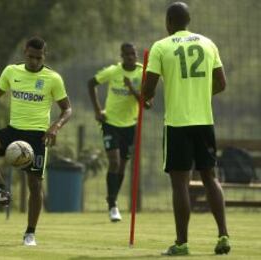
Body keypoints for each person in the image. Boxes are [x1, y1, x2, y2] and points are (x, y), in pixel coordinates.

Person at [0, 37, 72, 246]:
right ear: (24, 53)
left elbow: (67, 108)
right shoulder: (11, 72)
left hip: (38, 135)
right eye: (30, 57)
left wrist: (55, 126)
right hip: (14, 131)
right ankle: (0, 190)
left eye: (38, 58)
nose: (33, 61)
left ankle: (30, 233)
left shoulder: (53, 78)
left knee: (34, 184)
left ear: (44, 56)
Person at [142, 2, 230, 256]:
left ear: (168, 22)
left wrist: (146, 99)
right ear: (188, 21)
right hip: (204, 121)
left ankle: (181, 243)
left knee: (180, 183)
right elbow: (222, 83)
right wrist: (200, 94)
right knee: (209, 177)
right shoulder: (208, 43)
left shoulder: (161, 46)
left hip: (177, 123)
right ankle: (223, 235)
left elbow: (148, 88)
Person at [88, 43, 150, 222]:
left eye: (133, 54)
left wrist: (132, 90)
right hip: (110, 122)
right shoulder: (113, 71)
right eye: (127, 54)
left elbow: (147, 104)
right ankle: (113, 205)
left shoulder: (142, 73)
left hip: (130, 125)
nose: (131, 57)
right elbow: (91, 83)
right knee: (113, 161)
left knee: (122, 165)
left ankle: (112, 198)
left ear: (136, 55)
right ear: (121, 56)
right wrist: (97, 110)